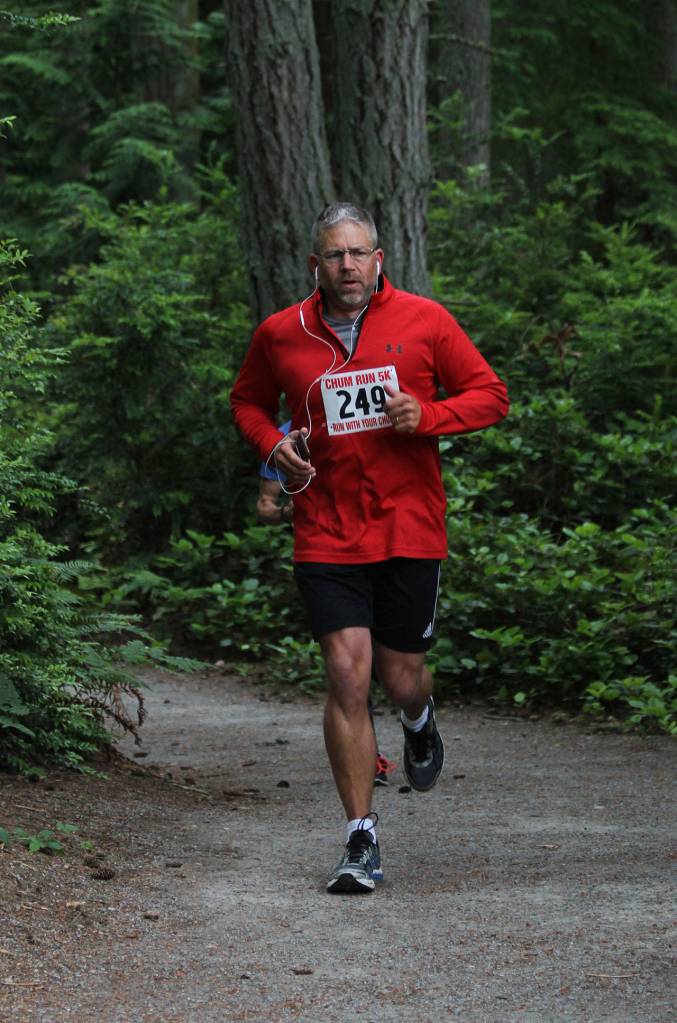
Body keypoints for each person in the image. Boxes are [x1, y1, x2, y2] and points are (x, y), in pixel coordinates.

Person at [231, 202, 508, 894]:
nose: (347, 265)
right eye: (334, 254)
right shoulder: (281, 333)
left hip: (408, 525)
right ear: (315, 265)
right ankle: (361, 837)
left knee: (399, 672)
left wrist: (431, 416)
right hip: (325, 527)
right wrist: (275, 446)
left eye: (358, 253)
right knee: (346, 674)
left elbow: (491, 395)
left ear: (377, 259)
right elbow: (246, 402)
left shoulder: (424, 320)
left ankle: (417, 719)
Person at [256, 421, 397, 787]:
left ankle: (413, 715)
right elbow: (265, 507)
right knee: (348, 667)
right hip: (327, 559)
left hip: (387, 549)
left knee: (390, 661)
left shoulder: (366, 410)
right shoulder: (282, 437)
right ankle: (370, 757)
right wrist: (290, 513)